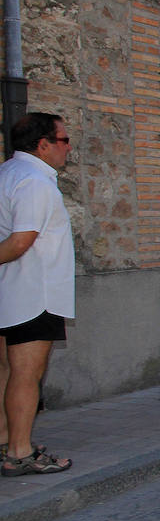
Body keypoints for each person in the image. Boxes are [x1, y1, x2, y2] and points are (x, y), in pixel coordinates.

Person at [0, 113, 75, 477]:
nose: (68, 147)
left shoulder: (8, 174)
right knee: (26, 375)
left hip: (13, 290)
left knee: (7, 372)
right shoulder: (34, 182)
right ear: (42, 145)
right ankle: (19, 452)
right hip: (35, 293)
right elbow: (19, 242)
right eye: (63, 140)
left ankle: (6, 443)